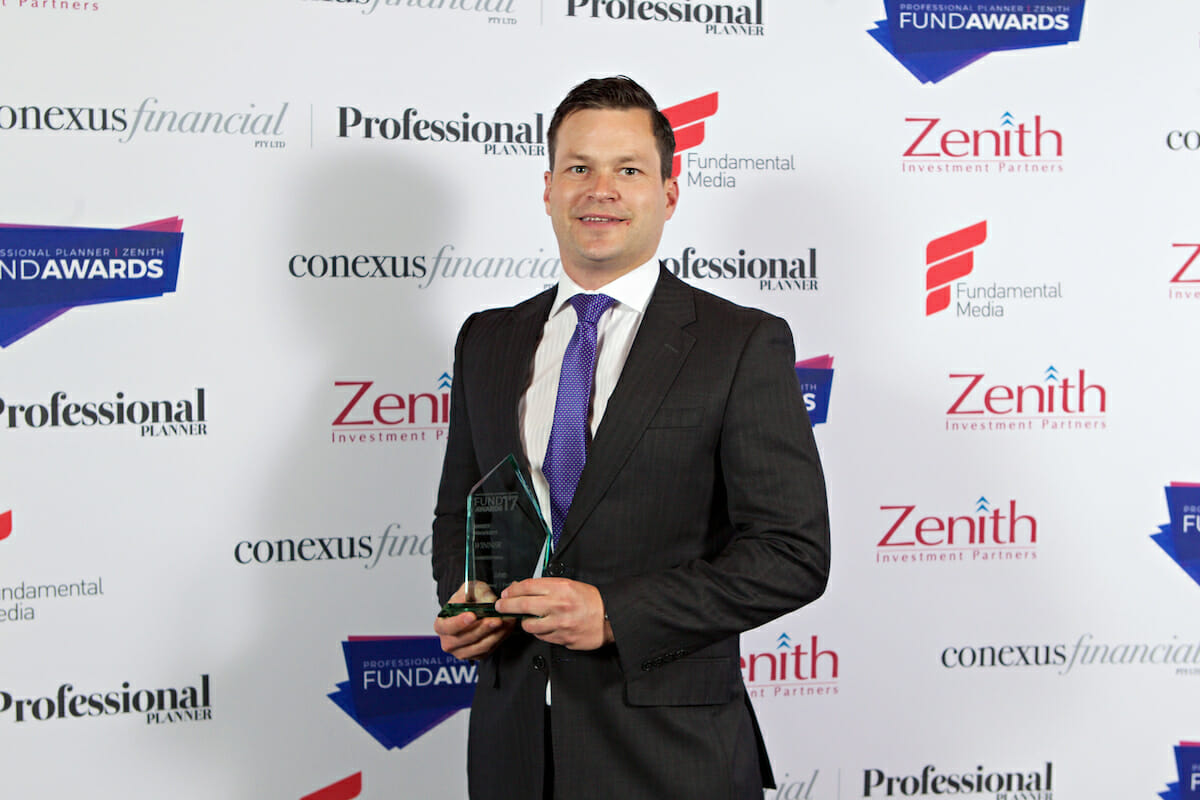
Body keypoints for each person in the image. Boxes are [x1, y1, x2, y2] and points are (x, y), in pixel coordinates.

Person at [432, 75, 830, 800]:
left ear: (668, 195)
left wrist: (616, 614)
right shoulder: (487, 340)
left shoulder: (740, 343)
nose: (601, 190)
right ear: (548, 189)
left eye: (629, 170)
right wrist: (468, 599)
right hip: (513, 750)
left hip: (671, 757)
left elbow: (791, 554)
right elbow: (459, 508)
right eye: (579, 168)